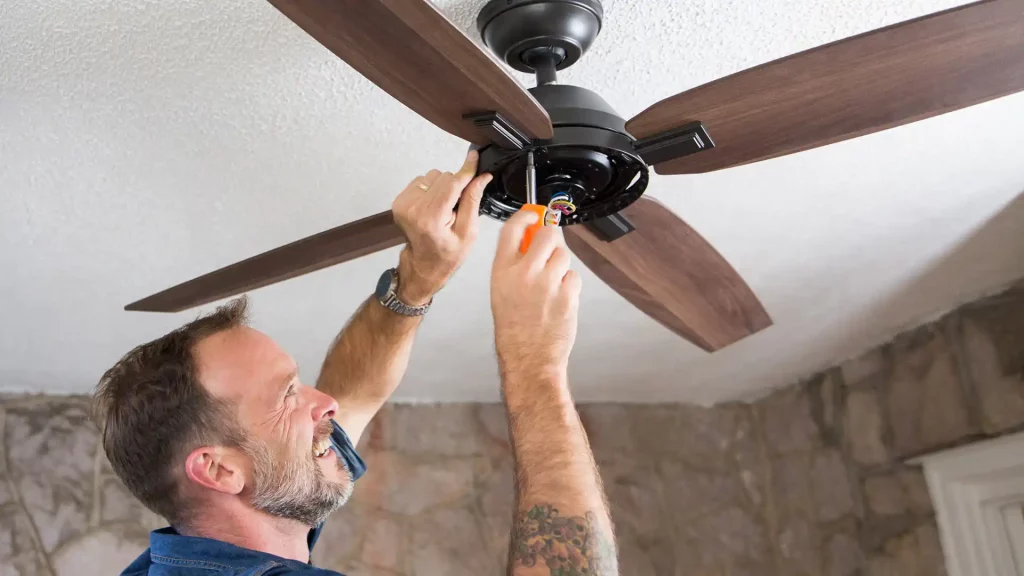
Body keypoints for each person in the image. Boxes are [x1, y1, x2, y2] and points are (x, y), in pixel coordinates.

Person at [94, 151, 617, 576]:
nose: (327, 403)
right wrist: (536, 365)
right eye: (288, 397)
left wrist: (418, 280)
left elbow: (354, 395)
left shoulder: (228, 541)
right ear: (218, 469)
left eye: (298, 385)